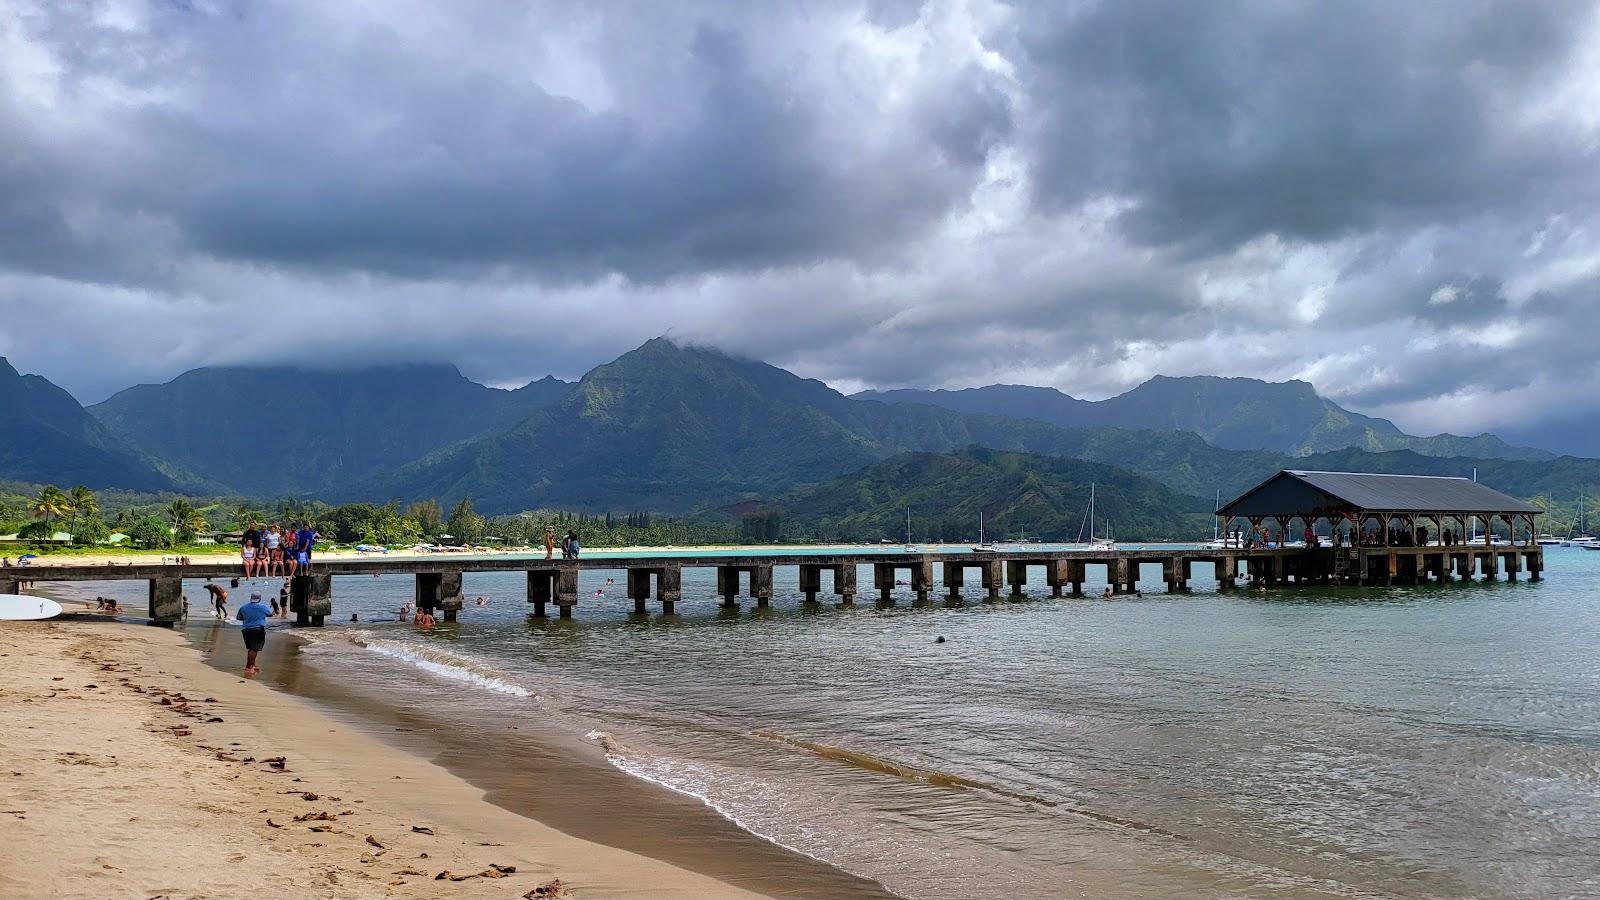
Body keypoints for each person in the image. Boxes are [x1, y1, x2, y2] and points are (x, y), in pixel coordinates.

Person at [236, 592, 272, 675]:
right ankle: (249, 667)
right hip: (258, 629)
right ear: (259, 598)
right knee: (254, 649)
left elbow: (238, 617)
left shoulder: (243, 607)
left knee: (251, 648)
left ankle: (252, 665)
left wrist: (248, 618)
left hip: (246, 630)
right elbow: (269, 614)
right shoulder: (262, 607)